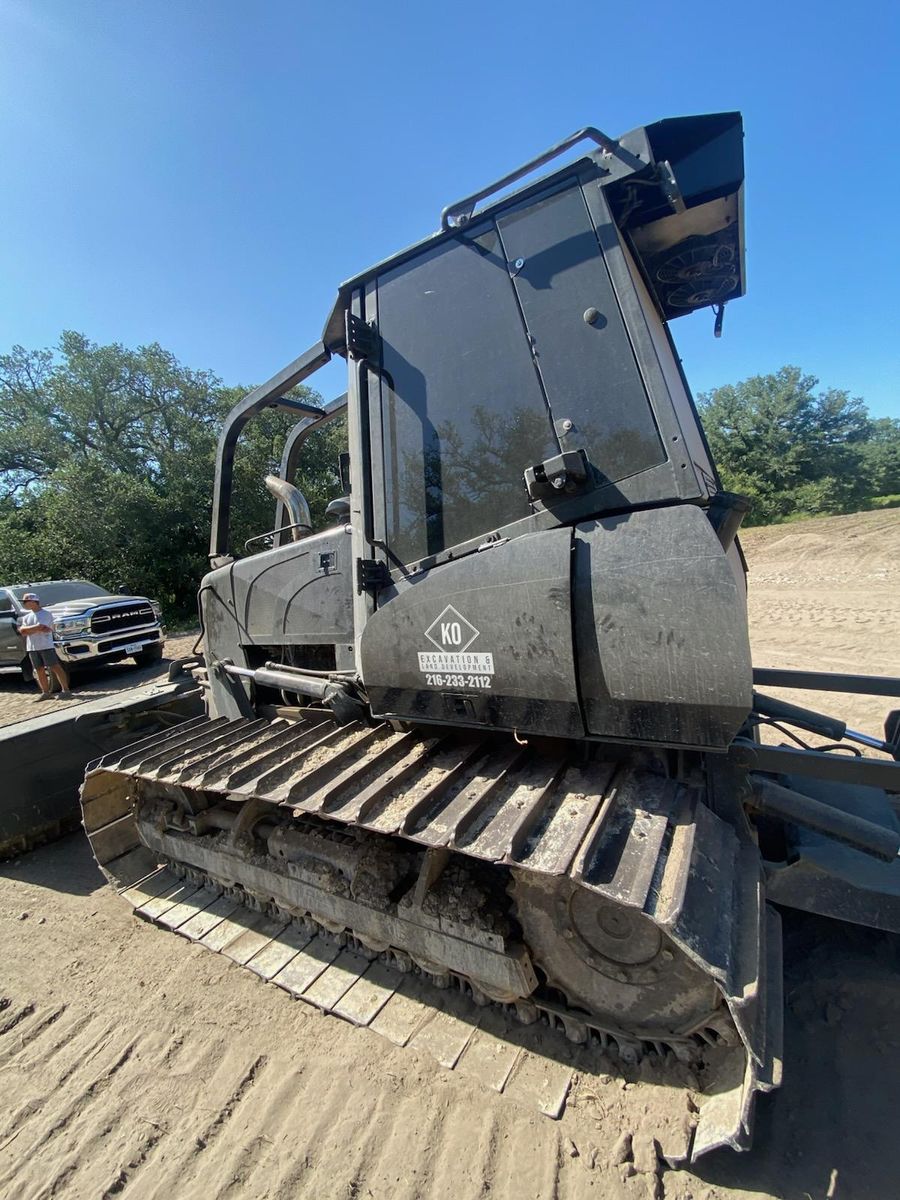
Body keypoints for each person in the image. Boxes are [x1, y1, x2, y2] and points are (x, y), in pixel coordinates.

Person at [16, 592, 72, 701]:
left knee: (55, 667)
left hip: (45, 645)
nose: (24, 604)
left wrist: (30, 629)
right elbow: (22, 631)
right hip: (32, 647)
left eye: (26, 601)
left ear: (33, 601)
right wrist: (35, 628)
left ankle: (66, 690)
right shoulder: (26, 617)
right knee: (39, 669)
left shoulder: (46, 614)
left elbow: (42, 627)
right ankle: (45, 692)